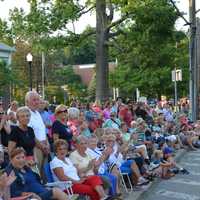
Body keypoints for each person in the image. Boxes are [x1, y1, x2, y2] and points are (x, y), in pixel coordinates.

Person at [25, 91, 50, 179]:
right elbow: (30, 134)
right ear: (27, 102)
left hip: (44, 146)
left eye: (38, 100)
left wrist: (47, 144)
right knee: (36, 173)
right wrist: (43, 147)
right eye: (34, 100)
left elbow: (42, 130)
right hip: (35, 148)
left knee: (43, 174)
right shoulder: (26, 114)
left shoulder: (37, 113)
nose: (37, 102)